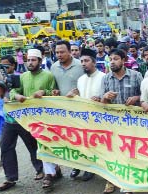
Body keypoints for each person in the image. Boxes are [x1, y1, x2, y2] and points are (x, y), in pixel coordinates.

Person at [1, 49, 55, 191]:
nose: (30, 63)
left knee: (37, 146)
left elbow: (55, 93)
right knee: (5, 146)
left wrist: (44, 92)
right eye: (28, 60)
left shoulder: (48, 76)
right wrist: (16, 96)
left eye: (33, 60)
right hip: (17, 117)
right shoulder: (23, 76)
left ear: (39, 61)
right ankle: (10, 178)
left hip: (38, 119)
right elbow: (13, 90)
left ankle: (47, 172)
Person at [100, 48, 142, 194]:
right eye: (110, 59)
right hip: (113, 123)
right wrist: (105, 97)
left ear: (124, 61)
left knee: (131, 152)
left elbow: (144, 97)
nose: (112, 62)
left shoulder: (136, 76)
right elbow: (101, 103)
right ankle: (111, 180)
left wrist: (137, 98)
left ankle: (129, 182)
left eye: (116, 58)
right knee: (113, 151)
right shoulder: (106, 78)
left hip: (133, 123)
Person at [48, 40, 84, 190]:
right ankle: (76, 165)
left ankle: (89, 168)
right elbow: (53, 87)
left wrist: (77, 92)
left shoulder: (80, 65)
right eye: (57, 52)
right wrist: (54, 92)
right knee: (71, 141)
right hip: (63, 111)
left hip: (81, 111)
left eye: (62, 52)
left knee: (84, 140)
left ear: (70, 51)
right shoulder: (54, 67)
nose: (59, 55)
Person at [66, 48, 105, 182]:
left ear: (94, 62)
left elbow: (106, 98)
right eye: (82, 61)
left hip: (99, 119)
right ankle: (80, 165)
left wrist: (100, 98)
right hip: (83, 118)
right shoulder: (81, 79)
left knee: (96, 146)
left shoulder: (103, 78)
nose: (83, 63)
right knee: (82, 143)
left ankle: (92, 169)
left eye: (86, 61)